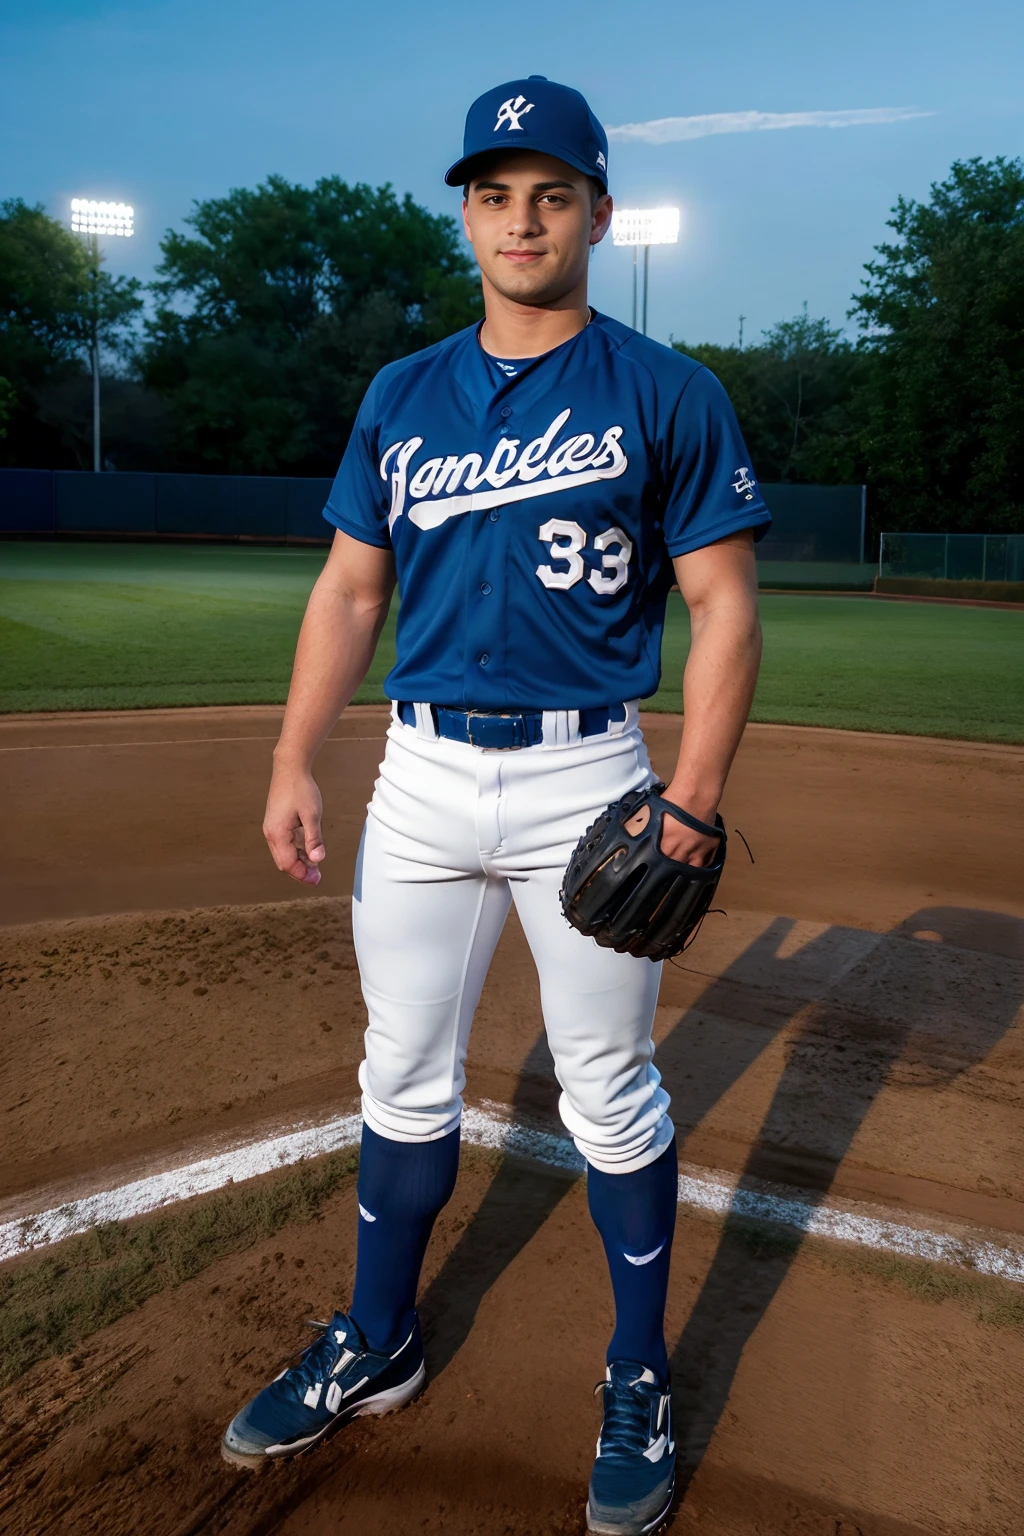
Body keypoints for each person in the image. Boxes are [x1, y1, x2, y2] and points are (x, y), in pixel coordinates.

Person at [222, 75, 769, 1535]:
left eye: (550, 194)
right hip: (418, 778)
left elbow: (722, 609)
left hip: (590, 775)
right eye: (492, 193)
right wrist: (293, 756)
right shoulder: (402, 394)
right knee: (399, 1075)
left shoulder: (666, 391)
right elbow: (351, 589)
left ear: (597, 209)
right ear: (465, 212)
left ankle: (637, 1371)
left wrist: (694, 799)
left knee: (608, 1087)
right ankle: (377, 1337)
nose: (520, 219)